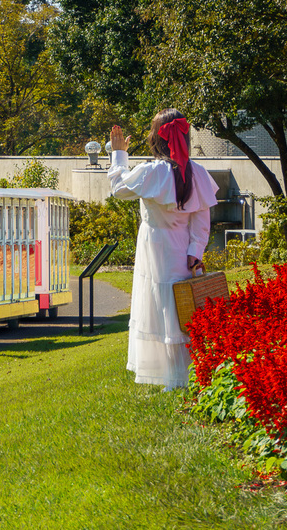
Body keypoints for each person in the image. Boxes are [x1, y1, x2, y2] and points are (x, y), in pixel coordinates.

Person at [108, 109, 218, 390]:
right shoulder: (198, 172)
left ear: (156, 139)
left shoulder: (153, 171)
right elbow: (201, 220)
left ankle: (172, 376)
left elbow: (119, 188)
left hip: (155, 245)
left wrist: (119, 155)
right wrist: (196, 251)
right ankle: (187, 372)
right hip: (182, 248)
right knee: (181, 306)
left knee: (161, 305)